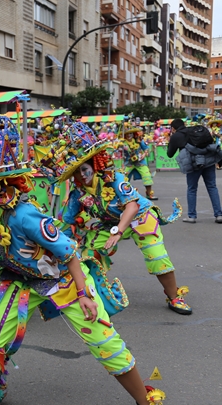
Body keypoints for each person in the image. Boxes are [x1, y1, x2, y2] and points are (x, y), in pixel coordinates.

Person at [0, 114, 174, 405]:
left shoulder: (24, 216)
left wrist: (85, 293)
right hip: (16, 281)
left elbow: (69, 252)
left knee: (105, 343)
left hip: (63, 279)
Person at [47, 123, 191, 315]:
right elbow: (67, 222)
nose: (82, 175)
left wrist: (118, 232)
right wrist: (54, 247)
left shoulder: (114, 179)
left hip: (140, 217)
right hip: (110, 223)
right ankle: (92, 294)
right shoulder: (77, 194)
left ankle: (174, 297)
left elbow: (132, 205)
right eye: (76, 173)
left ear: (94, 164)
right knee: (86, 252)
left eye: (84, 169)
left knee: (156, 257)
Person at [166, 118, 222, 223]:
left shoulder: (176, 136)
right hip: (208, 161)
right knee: (212, 187)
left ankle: (192, 216)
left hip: (193, 164)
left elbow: (170, 154)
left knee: (192, 189)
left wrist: (172, 140)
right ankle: (219, 214)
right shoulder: (195, 131)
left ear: (173, 128)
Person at [120, 128, 157, 200]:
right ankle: (123, 195)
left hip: (140, 162)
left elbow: (146, 148)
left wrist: (144, 155)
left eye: (130, 133)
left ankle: (149, 194)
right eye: (127, 134)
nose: (129, 135)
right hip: (128, 163)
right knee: (123, 178)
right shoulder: (122, 143)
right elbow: (118, 152)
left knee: (147, 176)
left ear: (134, 134)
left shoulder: (139, 141)